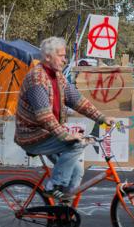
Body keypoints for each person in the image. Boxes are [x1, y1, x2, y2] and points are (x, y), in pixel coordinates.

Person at [15, 36, 114, 201]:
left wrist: (101, 118)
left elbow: (77, 100)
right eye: (61, 56)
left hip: (47, 134)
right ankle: (53, 186)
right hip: (32, 135)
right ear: (47, 57)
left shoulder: (57, 76)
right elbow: (44, 115)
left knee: (77, 171)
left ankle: (64, 214)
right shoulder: (37, 78)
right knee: (76, 144)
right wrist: (65, 135)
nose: (64, 60)